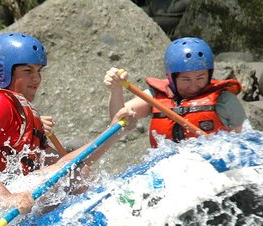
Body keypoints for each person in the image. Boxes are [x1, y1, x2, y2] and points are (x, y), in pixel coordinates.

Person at [0, 32, 137, 212]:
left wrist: (114, 132)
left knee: (79, 172)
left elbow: (68, 164)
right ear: (2, 72)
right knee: (70, 176)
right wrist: (5, 197)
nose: (36, 79)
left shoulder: (21, 114)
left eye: (39, 71)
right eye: (28, 71)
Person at [104, 37, 246, 148]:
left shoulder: (225, 100)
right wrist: (116, 89)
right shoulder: (155, 96)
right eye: (185, 79)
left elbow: (245, 141)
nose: (193, 85)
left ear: (209, 75)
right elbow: (118, 117)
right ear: (171, 78)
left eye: (200, 78)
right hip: (170, 169)